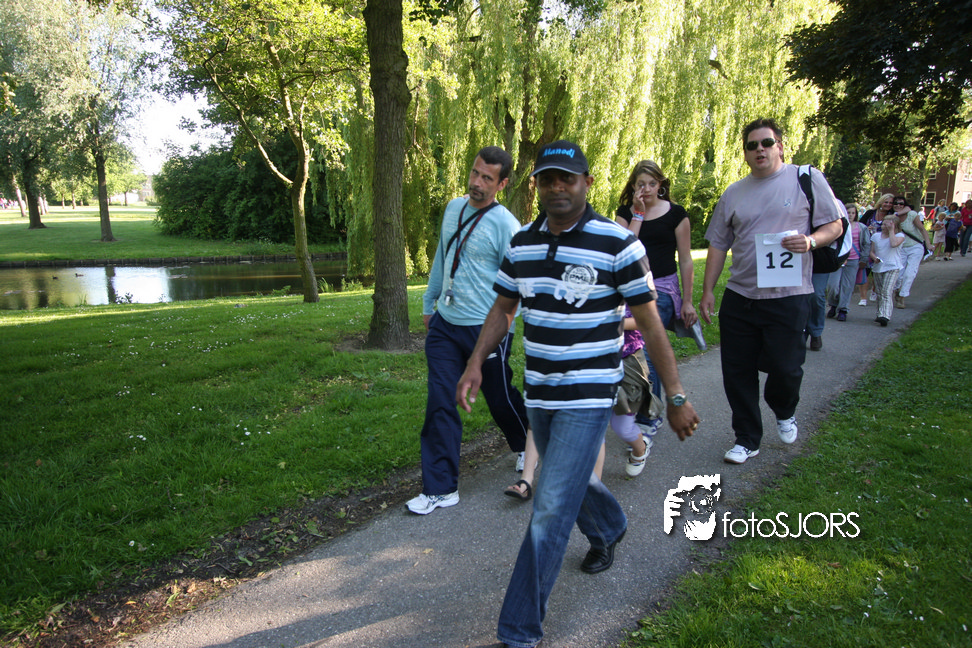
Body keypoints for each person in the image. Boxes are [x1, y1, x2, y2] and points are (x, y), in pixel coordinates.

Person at [456, 140, 699, 648]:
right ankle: (608, 525)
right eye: (547, 179)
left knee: (549, 505)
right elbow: (503, 310)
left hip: (589, 395)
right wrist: (476, 362)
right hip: (540, 391)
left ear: (587, 182)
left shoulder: (618, 244)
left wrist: (675, 396)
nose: (557, 187)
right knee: (566, 479)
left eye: (567, 178)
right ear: (536, 186)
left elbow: (652, 324)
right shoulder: (521, 244)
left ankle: (519, 631)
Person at [699, 118, 842, 465]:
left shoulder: (805, 178)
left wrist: (811, 241)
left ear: (779, 146)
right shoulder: (734, 193)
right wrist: (707, 291)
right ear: (745, 153)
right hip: (741, 297)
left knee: (786, 368)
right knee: (737, 372)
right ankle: (747, 438)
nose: (759, 149)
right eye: (752, 145)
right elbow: (718, 244)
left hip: (789, 295)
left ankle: (784, 409)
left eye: (766, 142)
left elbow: (835, 225)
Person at [409, 146, 529, 515]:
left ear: (501, 184)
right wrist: (429, 303)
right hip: (446, 325)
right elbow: (443, 258)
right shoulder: (453, 209)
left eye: (486, 178)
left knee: (499, 397)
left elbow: (519, 286)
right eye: (475, 173)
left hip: (486, 329)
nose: (476, 182)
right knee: (440, 401)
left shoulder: (506, 226)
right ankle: (440, 488)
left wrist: (507, 328)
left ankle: (528, 445)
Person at [614, 160, 700, 436]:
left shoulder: (676, 214)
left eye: (652, 183)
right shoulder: (625, 213)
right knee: (626, 349)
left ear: (661, 185)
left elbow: (686, 260)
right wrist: (638, 215)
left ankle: (649, 418)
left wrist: (688, 300)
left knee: (647, 347)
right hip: (630, 289)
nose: (647, 189)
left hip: (662, 289)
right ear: (633, 186)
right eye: (641, 184)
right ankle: (631, 404)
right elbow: (623, 252)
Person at [826, 202, 871, 321]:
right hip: (839, 260)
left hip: (853, 260)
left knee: (847, 286)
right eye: (848, 212)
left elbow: (866, 244)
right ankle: (833, 304)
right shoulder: (838, 225)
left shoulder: (861, 227)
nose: (850, 215)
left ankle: (843, 309)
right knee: (833, 286)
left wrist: (864, 259)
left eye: (853, 213)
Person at [890, 197, 931, 309]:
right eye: (895, 203)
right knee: (898, 274)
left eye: (901, 203)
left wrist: (928, 244)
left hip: (915, 246)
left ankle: (902, 297)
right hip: (901, 248)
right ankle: (898, 290)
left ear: (905, 205)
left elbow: (922, 229)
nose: (898, 205)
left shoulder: (911, 214)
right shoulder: (892, 217)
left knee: (910, 273)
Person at [869, 214, 905, 326]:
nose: (884, 226)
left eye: (887, 224)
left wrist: (891, 231)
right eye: (883, 224)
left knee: (886, 291)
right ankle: (880, 313)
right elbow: (872, 251)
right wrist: (874, 258)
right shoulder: (876, 236)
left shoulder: (899, 236)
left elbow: (894, 244)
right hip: (878, 267)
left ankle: (885, 316)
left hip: (892, 266)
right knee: (880, 292)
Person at [859, 194, 894, 304]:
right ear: (881, 202)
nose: (888, 204)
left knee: (878, 271)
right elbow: (859, 225)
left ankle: (874, 290)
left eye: (890, 203)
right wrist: (866, 228)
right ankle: (863, 298)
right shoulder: (870, 213)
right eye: (886, 202)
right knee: (864, 270)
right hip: (867, 245)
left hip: (883, 247)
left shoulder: (892, 215)